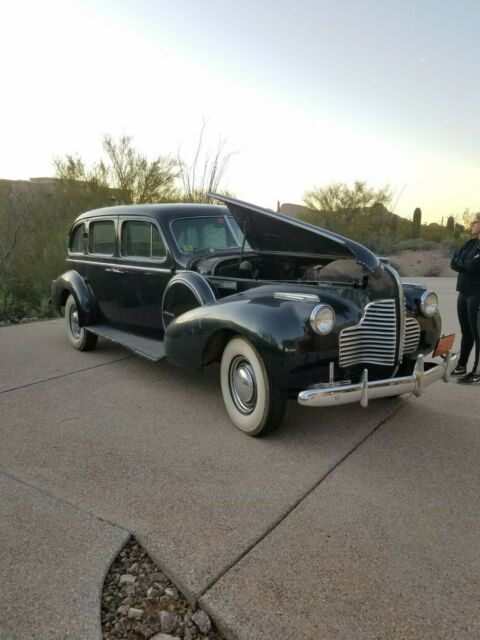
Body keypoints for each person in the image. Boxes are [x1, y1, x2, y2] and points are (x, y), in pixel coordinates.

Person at [450, 213, 480, 384]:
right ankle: (462, 366)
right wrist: (464, 263)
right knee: (466, 332)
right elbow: (454, 260)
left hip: (477, 294)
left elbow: (472, 264)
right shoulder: (471, 243)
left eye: (475, 222)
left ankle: (477, 371)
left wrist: (464, 263)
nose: (472, 225)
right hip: (463, 292)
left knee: (478, 334)